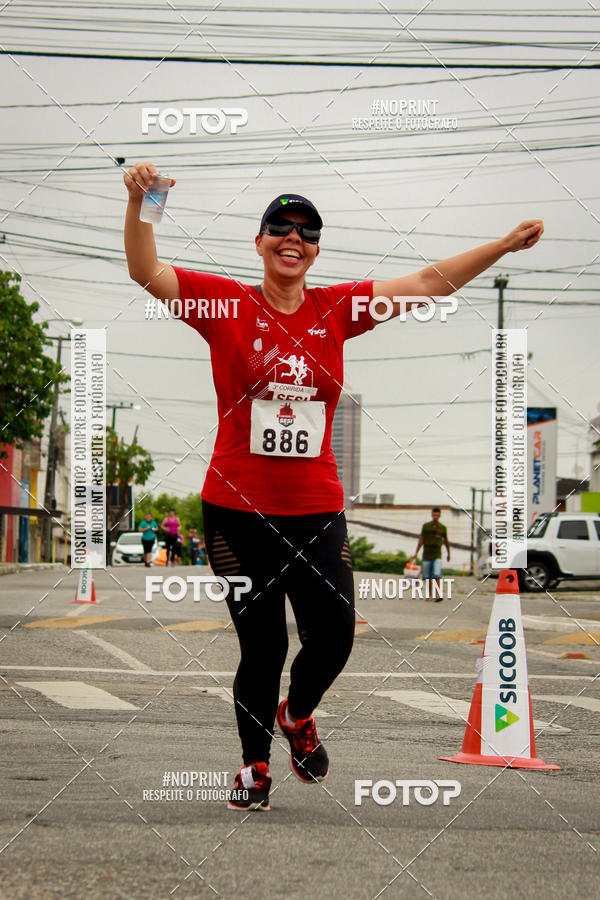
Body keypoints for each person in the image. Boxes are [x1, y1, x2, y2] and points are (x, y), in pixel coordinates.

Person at [124, 160, 543, 811]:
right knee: (262, 646)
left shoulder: (338, 309)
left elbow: (429, 283)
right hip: (235, 511)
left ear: (316, 249)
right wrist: (144, 203)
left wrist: (503, 243)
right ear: (260, 242)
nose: (294, 238)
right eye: (281, 228)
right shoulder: (225, 305)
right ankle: (254, 768)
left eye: (307, 232)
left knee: (337, 633)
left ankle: (298, 714)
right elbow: (147, 272)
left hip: (315, 509)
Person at [415, 507, 451, 600]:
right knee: (427, 577)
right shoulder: (426, 526)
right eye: (434, 515)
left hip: (437, 554)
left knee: (437, 574)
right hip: (426, 554)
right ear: (432, 515)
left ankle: (437, 594)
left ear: (439, 516)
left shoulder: (443, 528)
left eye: (437, 515)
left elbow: (446, 541)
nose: (435, 516)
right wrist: (416, 552)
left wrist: (448, 553)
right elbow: (421, 539)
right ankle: (429, 594)